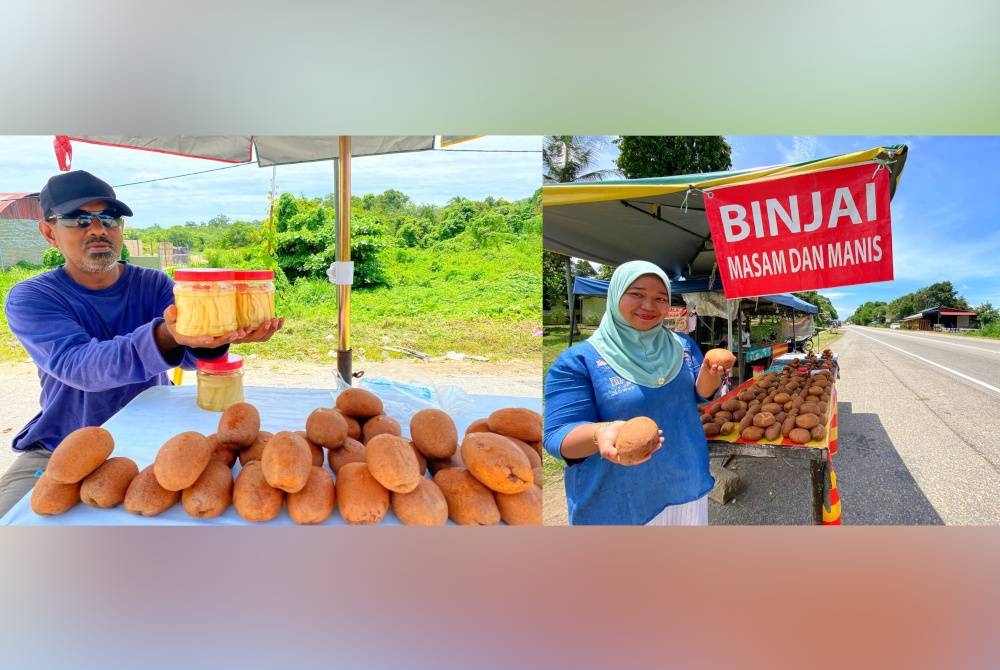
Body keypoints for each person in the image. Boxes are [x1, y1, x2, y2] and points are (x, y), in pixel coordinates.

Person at [0, 170, 284, 517]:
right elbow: (79, 366)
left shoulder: (154, 284)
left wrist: (218, 339)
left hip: (152, 436)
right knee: (12, 521)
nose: (98, 229)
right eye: (78, 219)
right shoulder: (32, 297)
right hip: (63, 444)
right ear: (48, 232)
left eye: (109, 218)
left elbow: (190, 357)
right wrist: (166, 334)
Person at [543, 260, 732, 525]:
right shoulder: (578, 361)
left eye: (660, 298)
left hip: (685, 484)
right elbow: (556, 436)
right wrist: (599, 433)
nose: (649, 306)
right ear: (616, 294)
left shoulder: (682, 346)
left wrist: (711, 372)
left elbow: (699, 396)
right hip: (620, 502)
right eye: (637, 294)